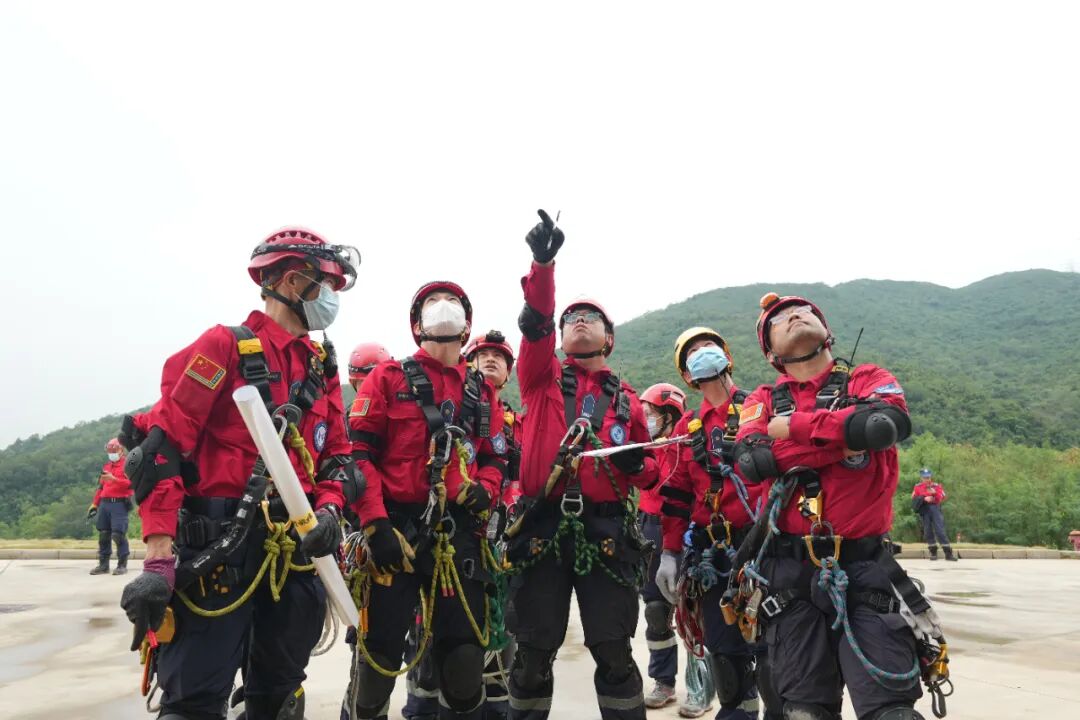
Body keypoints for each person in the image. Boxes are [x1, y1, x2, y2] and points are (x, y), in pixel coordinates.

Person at [118, 228, 364, 720]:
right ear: (292, 281)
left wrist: (331, 509)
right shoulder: (225, 346)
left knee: (280, 696)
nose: (332, 299)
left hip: (293, 554)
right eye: (327, 285)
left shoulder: (320, 368)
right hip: (219, 551)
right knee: (194, 702)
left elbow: (337, 456)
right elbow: (162, 451)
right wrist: (159, 559)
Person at [732, 292, 930, 720]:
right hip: (788, 575)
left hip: (864, 565)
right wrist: (844, 439)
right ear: (770, 353)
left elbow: (884, 426)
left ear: (828, 331)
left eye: (802, 311)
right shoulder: (760, 399)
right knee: (803, 710)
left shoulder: (868, 377)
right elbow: (751, 462)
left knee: (892, 711)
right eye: (779, 319)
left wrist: (795, 428)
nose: (794, 316)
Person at [506, 210, 659, 720]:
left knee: (614, 652)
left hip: (606, 529)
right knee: (532, 654)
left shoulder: (627, 400)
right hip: (542, 525)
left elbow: (651, 473)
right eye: (571, 318)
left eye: (590, 317)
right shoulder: (540, 376)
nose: (578, 321)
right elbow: (535, 323)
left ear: (609, 338)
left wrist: (637, 464)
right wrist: (543, 265)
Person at [344, 280, 506, 720]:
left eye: (452, 302)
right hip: (395, 531)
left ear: (466, 325)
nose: (443, 307)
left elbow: (495, 456)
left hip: (458, 536)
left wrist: (485, 488)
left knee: (464, 661)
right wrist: (375, 525)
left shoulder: (482, 392)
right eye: (432, 303)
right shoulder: (386, 378)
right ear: (417, 325)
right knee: (378, 659)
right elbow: (359, 456)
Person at [400, 329, 522, 720]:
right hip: (447, 535)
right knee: (429, 634)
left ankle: (495, 712)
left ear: (509, 373)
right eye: (483, 354)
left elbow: (516, 473)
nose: (491, 360)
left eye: (500, 357)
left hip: (499, 539)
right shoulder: (442, 407)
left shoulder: (517, 424)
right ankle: (422, 709)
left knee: (496, 635)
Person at [656, 329, 770, 720]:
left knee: (772, 654)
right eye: (693, 352)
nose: (703, 353)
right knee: (726, 657)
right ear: (687, 375)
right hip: (713, 558)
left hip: (762, 550)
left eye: (709, 347)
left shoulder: (760, 407)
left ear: (727, 357)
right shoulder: (686, 430)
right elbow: (676, 497)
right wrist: (670, 553)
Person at [635, 382, 692, 711]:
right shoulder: (641, 447)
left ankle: (701, 686)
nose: (646, 419)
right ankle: (664, 681)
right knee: (656, 611)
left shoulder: (687, 444)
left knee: (694, 611)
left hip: (682, 527)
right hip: (649, 527)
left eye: (651, 413)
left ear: (670, 415)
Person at [87, 437, 134, 575]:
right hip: (105, 503)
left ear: (121, 450)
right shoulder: (107, 467)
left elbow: (131, 484)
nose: (112, 453)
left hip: (119, 503)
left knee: (118, 534)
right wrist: (95, 504)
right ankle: (103, 565)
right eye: (110, 450)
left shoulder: (128, 465)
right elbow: (101, 487)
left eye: (114, 450)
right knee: (104, 534)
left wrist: (114, 480)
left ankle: (122, 564)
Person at [911, 469, 956, 561]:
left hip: (935, 508)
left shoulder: (936, 486)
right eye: (925, 478)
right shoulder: (917, 487)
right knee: (928, 531)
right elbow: (914, 499)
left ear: (930, 477)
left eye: (928, 477)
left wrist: (934, 493)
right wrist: (924, 499)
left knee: (940, 531)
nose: (927, 479)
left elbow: (942, 497)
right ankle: (933, 552)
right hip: (924, 510)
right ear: (921, 478)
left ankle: (948, 553)